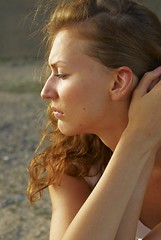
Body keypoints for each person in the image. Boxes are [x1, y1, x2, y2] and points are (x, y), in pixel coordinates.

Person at [27, 0, 161, 239]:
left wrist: (139, 142)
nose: (45, 91)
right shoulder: (74, 164)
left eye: (61, 74)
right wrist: (136, 142)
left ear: (118, 82)